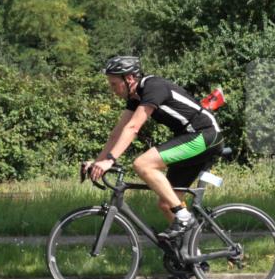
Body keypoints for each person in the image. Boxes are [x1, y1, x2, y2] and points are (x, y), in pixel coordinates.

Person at [89, 56, 224, 245]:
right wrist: (98, 161)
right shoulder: (135, 98)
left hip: (205, 135)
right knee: (166, 203)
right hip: (190, 137)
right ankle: (193, 257)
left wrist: (110, 160)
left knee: (143, 164)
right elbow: (117, 134)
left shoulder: (153, 87)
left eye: (114, 84)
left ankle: (184, 218)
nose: (112, 90)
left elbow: (133, 128)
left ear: (129, 79)